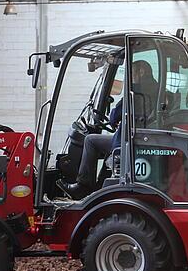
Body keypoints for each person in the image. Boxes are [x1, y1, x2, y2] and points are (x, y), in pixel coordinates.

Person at [58, 60, 157, 200]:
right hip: (138, 139)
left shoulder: (137, 92)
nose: (130, 77)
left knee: (90, 140)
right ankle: (98, 186)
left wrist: (115, 119)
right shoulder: (156, 89)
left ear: (141, 72)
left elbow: (114, 116)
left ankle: (82, 186)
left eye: (132, 73)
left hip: (128, 141)